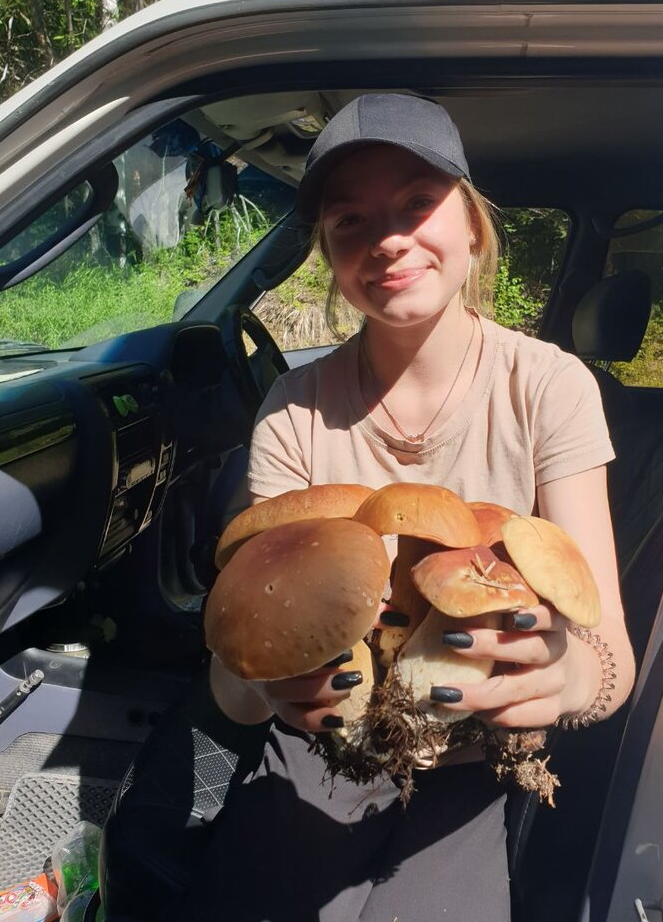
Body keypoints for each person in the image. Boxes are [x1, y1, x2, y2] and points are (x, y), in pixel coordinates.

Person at [202, 93, 635, 921]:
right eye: (350, 221)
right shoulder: (294, 412)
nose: (388, 238)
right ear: (327, 253)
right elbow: (244, 669)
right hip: (322, 751)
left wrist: (567, 675)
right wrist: (266, 688)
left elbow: (609, 656)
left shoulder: (548, 389)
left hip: (480, 759)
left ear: (472, 224)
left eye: (416, 203)